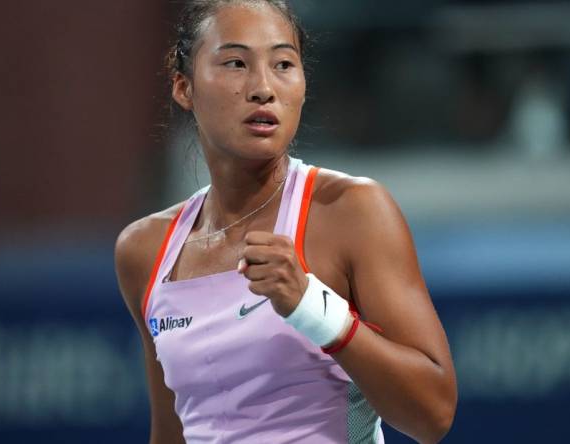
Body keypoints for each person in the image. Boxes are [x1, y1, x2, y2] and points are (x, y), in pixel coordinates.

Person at [114, 1, 457, 443]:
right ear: (184, 87)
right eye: (236, 63)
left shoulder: (352, 211)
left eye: (283, 64)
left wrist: (313, 307)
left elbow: (433, 413)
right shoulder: (144, 251)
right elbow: (171, 433)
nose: (263, 88)